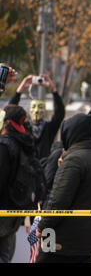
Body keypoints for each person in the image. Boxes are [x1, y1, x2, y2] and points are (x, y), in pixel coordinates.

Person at [35, 113, 91, 263]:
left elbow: (58, 201)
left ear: (70, 132)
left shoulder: (73, 160)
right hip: (87, 244)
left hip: (60, 243)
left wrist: (43, 225)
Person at [0, 105, 44, 262]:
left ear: (5, 123)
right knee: (5, 255)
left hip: (2, 210)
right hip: (15, 212)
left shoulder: (4, 145)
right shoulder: (25, 144)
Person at [8, 74, 65, 159]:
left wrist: (53, 90)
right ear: (29, 110)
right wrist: (20, 89)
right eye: (34, 107)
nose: (37, 110)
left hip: (43, 168)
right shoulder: (23, 128)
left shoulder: (49, 128)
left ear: (44, 110)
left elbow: (59, 113)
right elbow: (10, 113)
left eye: (40, 107)